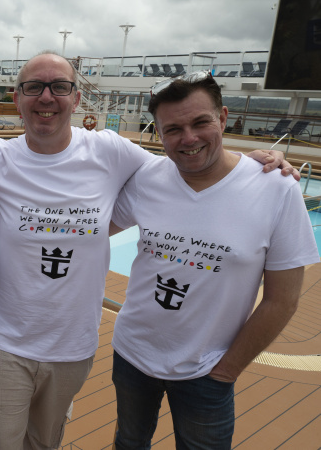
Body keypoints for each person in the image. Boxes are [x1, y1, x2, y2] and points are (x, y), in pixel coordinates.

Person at [0, 52, 297, 450]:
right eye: (33, 87)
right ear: (17, 98)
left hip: (72, 347)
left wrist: (257, 164)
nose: (46, 97)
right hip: (1, 341)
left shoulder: (114, 153)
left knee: (44, 443)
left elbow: (188, 161)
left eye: (59, 86)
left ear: (76, 97)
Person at [109, 72, 318, 449]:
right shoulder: (147, 178)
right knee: (129, 441)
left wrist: (226, 370)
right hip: (132, 354)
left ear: (222, 118)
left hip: (208, 370)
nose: (188, 138)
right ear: (157, 134)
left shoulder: (275, 187)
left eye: (200, 122)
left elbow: (283, 299)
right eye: (172, 129)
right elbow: (85, 228)